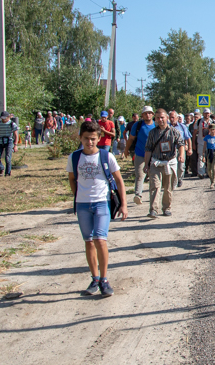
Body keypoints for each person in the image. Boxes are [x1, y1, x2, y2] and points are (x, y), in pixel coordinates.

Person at [67, 120, 128, 297]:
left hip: (102, 203)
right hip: (83, 205)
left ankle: (104, 279)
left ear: (99, 138)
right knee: (88, 241)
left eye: (93, 138)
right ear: (80, 137)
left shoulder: (106, 157)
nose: (89, 142)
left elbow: (119, 180)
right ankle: (94, 278)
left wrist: (123, 204)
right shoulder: (74, 157)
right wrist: (78, 196)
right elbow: (72, 179)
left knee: (100, 239)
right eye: (86, 138)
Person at [142, 109, 184, 218]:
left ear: (167, 118)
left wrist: (181, 155)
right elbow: (148, 149)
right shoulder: (152, 133)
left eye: (162, 117)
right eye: (157, 118)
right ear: (155, 119)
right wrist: (146, 164)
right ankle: (153, 210)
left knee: (167, 187)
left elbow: (181, 144)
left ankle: (166, 208)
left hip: (169, 163)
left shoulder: (174, 132)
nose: (160, 120)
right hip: (156, 163)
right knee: (155, 186)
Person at [126, 106, 156, 204]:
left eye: (149, 113)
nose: (148, 115)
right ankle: (138, 195)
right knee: (140, 175)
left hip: (153, 155)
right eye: (145, 113)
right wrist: (126, 149)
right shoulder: (138, 125)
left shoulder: (156, 125)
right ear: (142, 115)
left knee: (153, 176)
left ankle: (154, 196)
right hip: (140, 154)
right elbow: (131, 138)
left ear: (152, 114)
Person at [0, 111, 17, 176]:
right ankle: (1, 167)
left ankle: (7, 173)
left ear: (8, 117)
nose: (3, 119)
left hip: (9, 141)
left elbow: (16, 135)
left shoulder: (12, 124)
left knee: (7, 158)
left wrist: (15, 145)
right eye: (2, 118)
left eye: (4, 118)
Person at [204, 123, 215, 189]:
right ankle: (211, 180)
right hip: (209, 152)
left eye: (214, 129)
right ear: (209, 130)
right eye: (211, 129)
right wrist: (203, 155)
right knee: (209, 169)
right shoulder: (207, 137)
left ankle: (213, 182)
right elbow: (204, 146)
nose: (212, 131)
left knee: (214, 168)